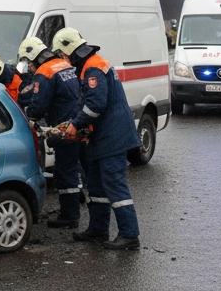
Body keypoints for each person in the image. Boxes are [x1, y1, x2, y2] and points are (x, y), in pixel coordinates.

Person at [52, 28, 141, 250]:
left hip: (113, 136)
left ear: (69, 51)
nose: (63, 59)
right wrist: (74, 122)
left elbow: (96, 104)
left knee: (114, 184)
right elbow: (86, 103)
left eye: (62, 54)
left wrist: (75, 125)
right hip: (105, 135)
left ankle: (129, 235)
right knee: (96, 185)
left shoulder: (93, 68)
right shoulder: (91, 65)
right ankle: (98, 229)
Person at [18, 36, 84, 229]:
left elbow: (39, 105)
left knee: (65, 172)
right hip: (78, 121)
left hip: (63, 126)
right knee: (79, 167)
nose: (29, 67)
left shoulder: (44, 72)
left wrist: (29, 114)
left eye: (29, 62)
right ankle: (82, 206)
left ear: (34, 57)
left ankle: (69, 216)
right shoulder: (63, 64)